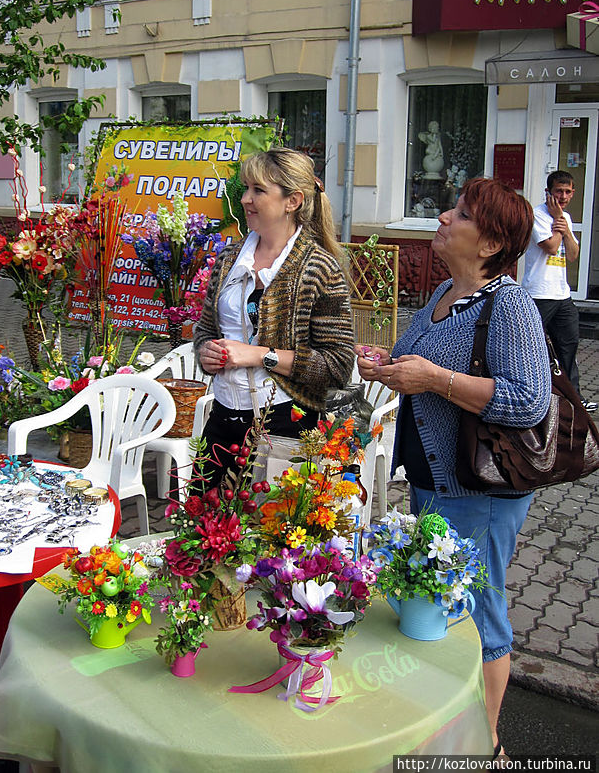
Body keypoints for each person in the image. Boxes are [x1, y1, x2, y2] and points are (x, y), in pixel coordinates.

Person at [356, 178, 551, 760]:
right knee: (443, 602)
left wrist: (435, 380)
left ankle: (485, 744)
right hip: (435, 480)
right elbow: (416, 360)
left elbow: (529, 400)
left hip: (481, 492)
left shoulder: (509, 305)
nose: (443, 217)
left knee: (479, 614)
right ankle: (446, 724)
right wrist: (384, 365)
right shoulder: (446, 292)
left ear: (490, 243)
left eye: (461, 214)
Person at [193, 146, 355, 489]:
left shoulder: (319, 269)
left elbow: (338, 366)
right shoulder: (229, 259)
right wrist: (206, 352)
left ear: (292, 201)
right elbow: (205, 329)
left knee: (267, 521)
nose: (245, 199)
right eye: (246, 188)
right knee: (200, 515)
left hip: (285, 424)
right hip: (222, 418)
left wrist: (259, 355)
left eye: (258, 190)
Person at [521, 170, 597, 412]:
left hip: (562, 295)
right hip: (539, 293)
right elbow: (552, 247)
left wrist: (564, 226)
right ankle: (533, 393)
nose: (563, 196)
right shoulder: (537, 215)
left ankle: (574, 398)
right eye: (558, 191)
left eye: (567, 192)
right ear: (548, 192)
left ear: (573, 193)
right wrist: (558, 225)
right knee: (532, 346)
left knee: (568, 344)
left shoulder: (565, 218)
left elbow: (572, 254)